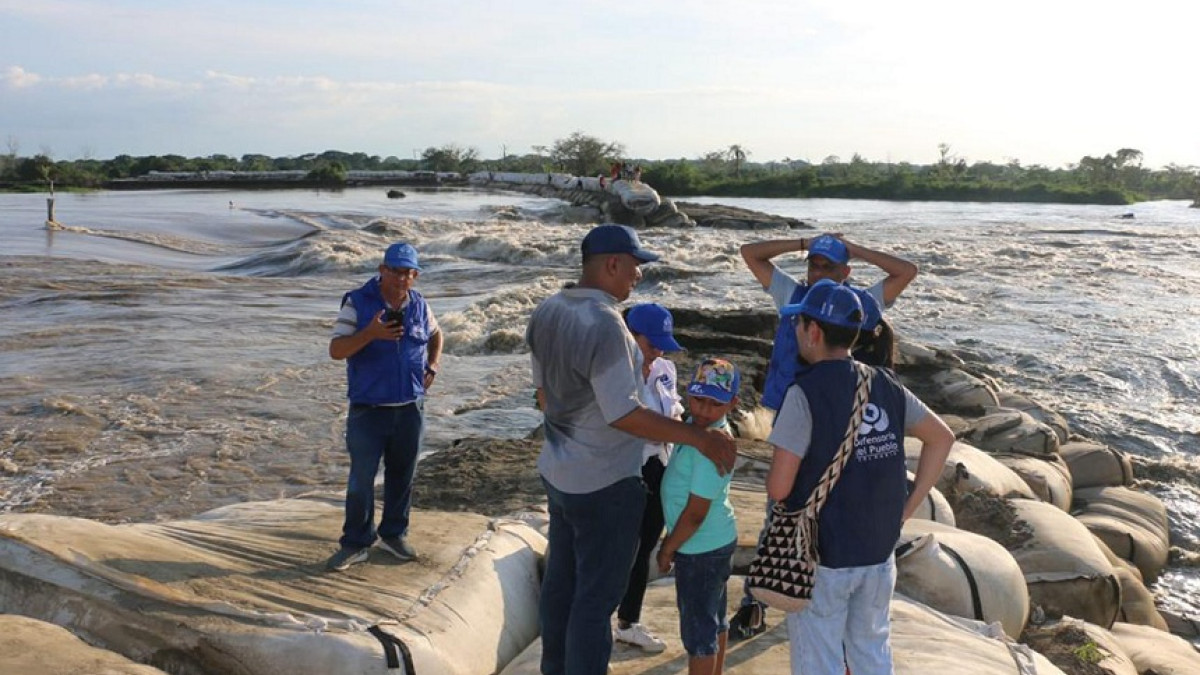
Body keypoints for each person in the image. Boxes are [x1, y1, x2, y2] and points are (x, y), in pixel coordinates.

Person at [526, 223, 738, 675]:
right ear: (611, 264)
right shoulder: (607, 325)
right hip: (603, 484)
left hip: (559, 474)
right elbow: (622, 414)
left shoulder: (547, 309)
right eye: (635, 266)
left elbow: (543, 396)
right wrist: (699, 436)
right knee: (596, 599)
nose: (639, 275)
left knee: (561, 587)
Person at [730, 232, 917, 638]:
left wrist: (856, 248)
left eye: (827, 266)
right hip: (793, 415)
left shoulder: (860, 303)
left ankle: (812, 588)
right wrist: (802, 242)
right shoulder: (795, 296)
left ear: (845, 271)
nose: (817, 272)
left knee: (813, 500)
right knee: (781, 509)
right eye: (813, 264)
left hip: (838, 417)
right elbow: (750, 254)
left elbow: (906, 271)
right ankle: (759, 598)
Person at [765, 280, 954, 675]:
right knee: (871, 652)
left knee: (819, 659)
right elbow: (941, 438)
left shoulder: (803, 394)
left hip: (824, 555)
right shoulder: (885, 383)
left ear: (814, 332)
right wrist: (907, 508)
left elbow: (780, 487)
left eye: (799, 323)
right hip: (878, 549)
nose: (795, 330)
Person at [325, 242, 443, 572]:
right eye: (395, 271)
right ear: (382, 270)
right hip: (369, 409)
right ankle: (355, 543)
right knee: (361, 479)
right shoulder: (357, 302)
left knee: (403, 475)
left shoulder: (420, 304)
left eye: (408, 273)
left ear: (415, 275)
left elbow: (437, 334)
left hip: (410, 408)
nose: (401, 278)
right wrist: (371, 333)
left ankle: (394, 535)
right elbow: (336, 350)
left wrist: (433, 365)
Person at [656, 357, 741, 675]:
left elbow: (695, 514)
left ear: (732, 404)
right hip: (714, 542)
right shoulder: (698, 430)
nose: (704, 410)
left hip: (699, 549)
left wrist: (668, 548)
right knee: (714, 619)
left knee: (699, 635)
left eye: (715, 404)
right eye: (699, 400)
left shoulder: (712, 448)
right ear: (688, 394)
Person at [614, 303, 686, 653]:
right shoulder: (614, 372)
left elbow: (675, 412)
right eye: (650, 344)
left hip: (659, 466)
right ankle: (597, 619)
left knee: (644, 546)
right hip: (623, 468)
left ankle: (628, 621)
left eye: (662, 345)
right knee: (616, 547)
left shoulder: (665, 370)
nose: (657, 352)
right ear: (630, 335)